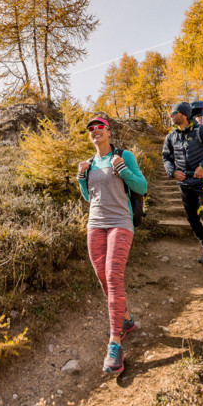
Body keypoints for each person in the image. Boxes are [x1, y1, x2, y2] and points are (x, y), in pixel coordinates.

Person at [77, 116, 147, 375]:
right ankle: (126, 319)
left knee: (113, 276)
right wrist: (80, 178)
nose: (95, 131)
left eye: (99, 127)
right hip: (95, 224)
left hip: (120, 222)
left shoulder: (123, 155)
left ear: (108, 131)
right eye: (91, 129)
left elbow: (142, 185)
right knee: (102, 278)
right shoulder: (90, 162)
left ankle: (115, 343)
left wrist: (123, 170)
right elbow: (88, 197)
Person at [162, 102, 203, 269]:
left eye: (174, 112)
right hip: (184, 183)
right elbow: (166, 157)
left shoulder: (201, 131)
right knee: (191, 217)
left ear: (185, 114)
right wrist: (173, 172)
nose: (171, 115)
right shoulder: (171, 137)